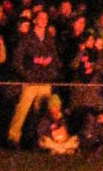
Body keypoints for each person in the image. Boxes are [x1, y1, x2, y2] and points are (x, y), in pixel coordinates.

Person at [6, 8, 62, 147]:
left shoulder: (50, 39)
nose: (43, 21)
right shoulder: (27, 38)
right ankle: (13, 138)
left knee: (42, 112)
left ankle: (39, 139)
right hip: (30, 81)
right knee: (22, 110)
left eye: (46, 18)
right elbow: (17, 60)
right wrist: (27, 75)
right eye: (41, 18)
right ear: (35, 20)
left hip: (44, 82)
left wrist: (51, 74)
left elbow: (55, 60)